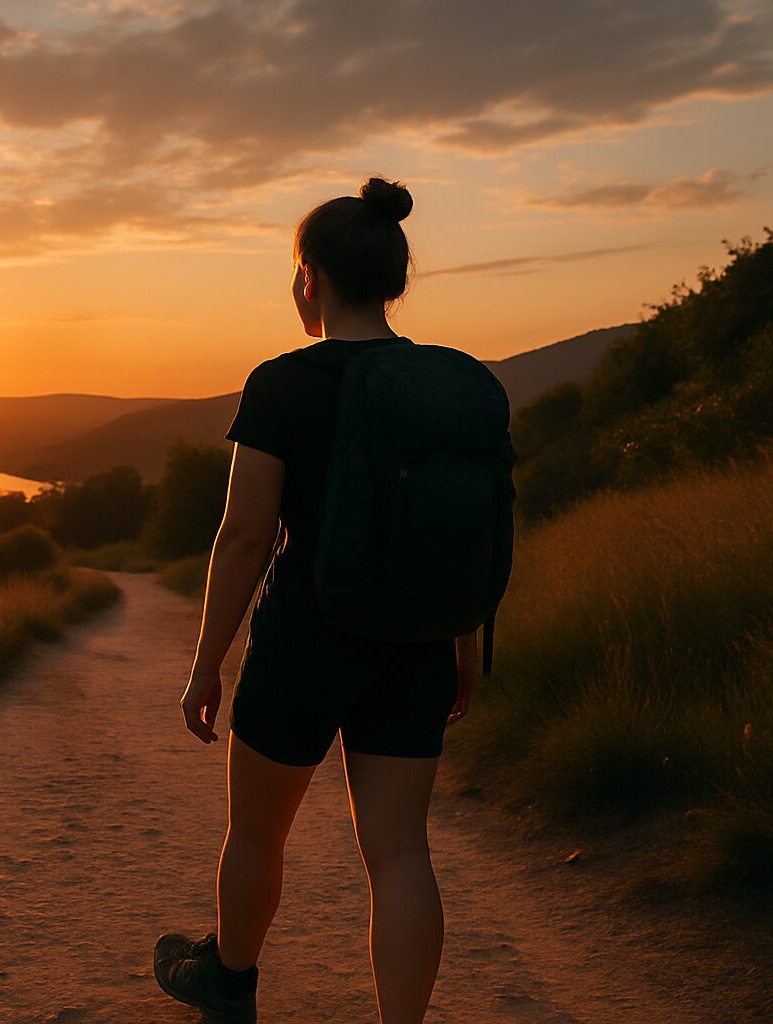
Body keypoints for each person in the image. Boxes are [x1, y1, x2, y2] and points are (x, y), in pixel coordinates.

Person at [152, 177, 480, 1024]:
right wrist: (463, 647)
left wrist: (204, 665)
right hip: (416, 643)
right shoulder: (450, 384)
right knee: (401, 853)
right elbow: (461, 530)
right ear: (394, 279)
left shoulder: (281, 383)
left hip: (305, 639)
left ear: (310, 279)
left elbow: (243, 538)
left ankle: (229, 983)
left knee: (258, 833)